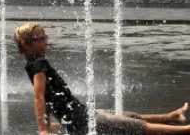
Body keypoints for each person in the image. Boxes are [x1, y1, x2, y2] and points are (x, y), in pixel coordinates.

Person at [15, 22, 190, 135]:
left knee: (127, 116)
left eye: (45, 37)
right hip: (81, 121)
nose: (46, 42)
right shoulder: (38, 65)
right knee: (134, 127)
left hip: (81, 115)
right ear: (26, 44)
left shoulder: (35, 63)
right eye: (40, 39)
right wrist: (43, 129)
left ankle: (172, 115)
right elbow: (39, 97)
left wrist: (49, 122)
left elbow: (46, 97)